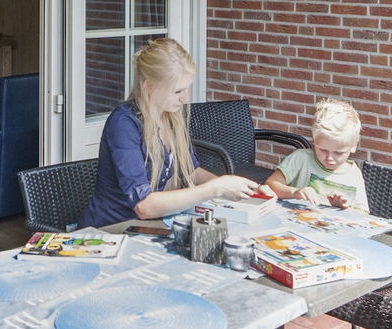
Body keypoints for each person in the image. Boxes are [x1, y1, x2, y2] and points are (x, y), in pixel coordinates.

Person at [78, 38, 275, 228]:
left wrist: (242, 189)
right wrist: (216, 188)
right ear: (149, 87)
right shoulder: (124, 123)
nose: (185, 99)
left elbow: (191, 171)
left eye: (187, 89)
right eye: (177, 91)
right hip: (112, 231)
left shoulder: (169, 116)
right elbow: (144, 206)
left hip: (149, 226)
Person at [265, 98, 369, 212]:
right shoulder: (301, 159)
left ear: (354, 146)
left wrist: (344, 208)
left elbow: (363, 213)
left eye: (338, 153)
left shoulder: (354, 174)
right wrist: (295, 192)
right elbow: (270, 185)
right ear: (314, 141)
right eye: (323, 150)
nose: (329, 158)